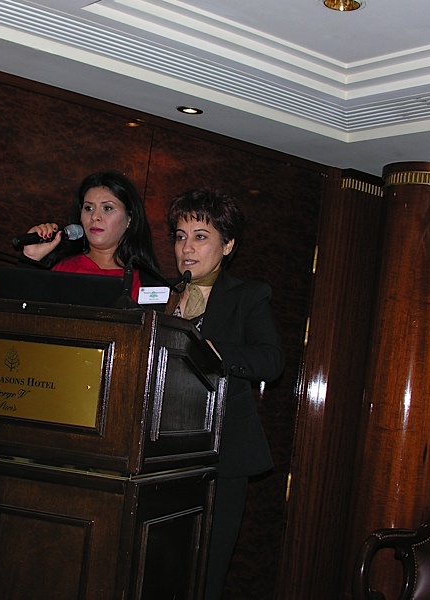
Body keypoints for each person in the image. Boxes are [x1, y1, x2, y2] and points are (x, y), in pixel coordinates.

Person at [165, 189, 284, 600]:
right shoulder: (160, 294)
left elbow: (271, 360)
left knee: (205, 574)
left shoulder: (247, 295)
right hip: (160, 456)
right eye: (180, 236)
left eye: (200, 237)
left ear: (228, 245)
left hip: (220, 457)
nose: (187, 248)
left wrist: (217, 353)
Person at [22, 171, 161, 299]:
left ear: (129, 219)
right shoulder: (63, 269)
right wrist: (30, 258)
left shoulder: (146, 283)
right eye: (88, 208)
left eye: (107, 208)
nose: (95, 216)